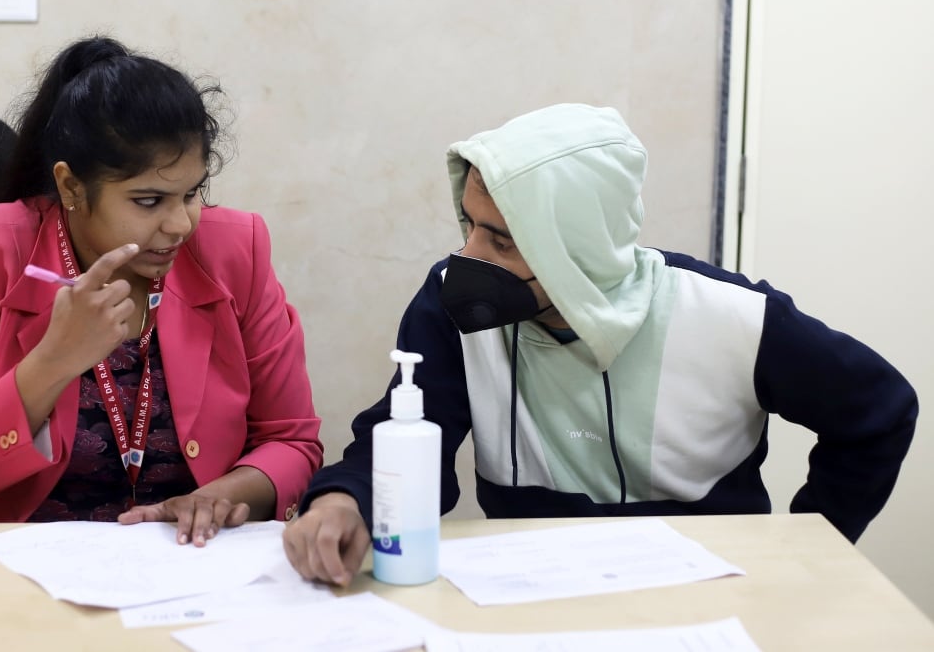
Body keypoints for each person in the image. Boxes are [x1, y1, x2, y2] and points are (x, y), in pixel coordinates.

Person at [283, 103, 918, 585]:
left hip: (708, 598)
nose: (468, 255)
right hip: (530, 594)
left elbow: (879, 410)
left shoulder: (730, 315)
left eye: (500, 240)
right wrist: (345, 498)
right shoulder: (453, 305)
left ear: (574, 251)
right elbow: (405, 433)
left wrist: (804, 552)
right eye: (469, 225)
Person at [0, 35, 323, 544]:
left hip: (188, 564)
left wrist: (222, 496)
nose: (180, 225)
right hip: (23, 561)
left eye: (192, 194)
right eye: (148, 201)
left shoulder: (235, 250)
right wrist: (53, 361)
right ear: (72, 187)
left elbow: (291, 440)